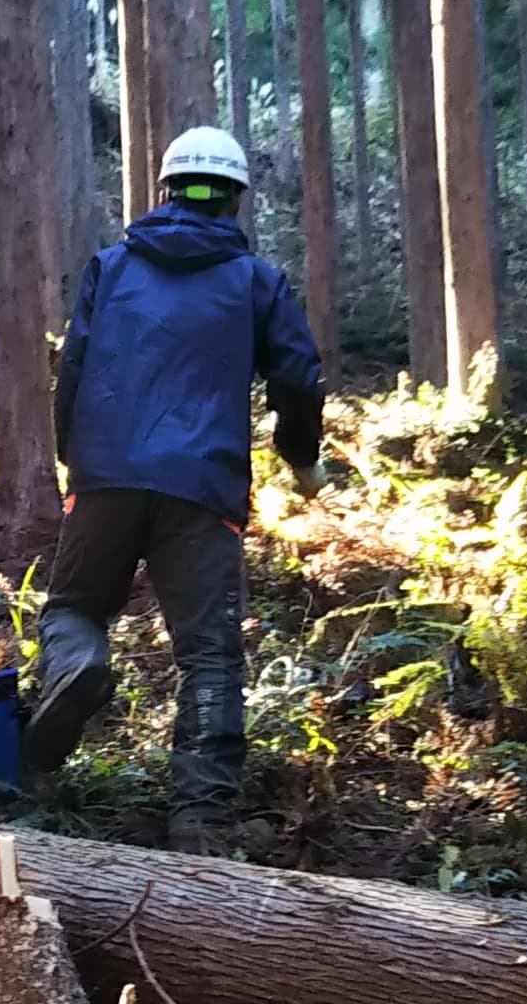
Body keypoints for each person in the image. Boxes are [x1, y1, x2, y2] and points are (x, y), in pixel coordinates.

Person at [26, 126, 326, 851]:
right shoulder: (256, 281)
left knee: (75, 608)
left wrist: (77, 460)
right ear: (236, 199)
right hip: (202, 486)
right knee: (210, 656)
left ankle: (74, 673)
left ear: (165, 190)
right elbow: (298, 376)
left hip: (106, 474)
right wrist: (302, 458)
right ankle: (201, 822)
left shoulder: (111, 267)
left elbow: (73, 369)